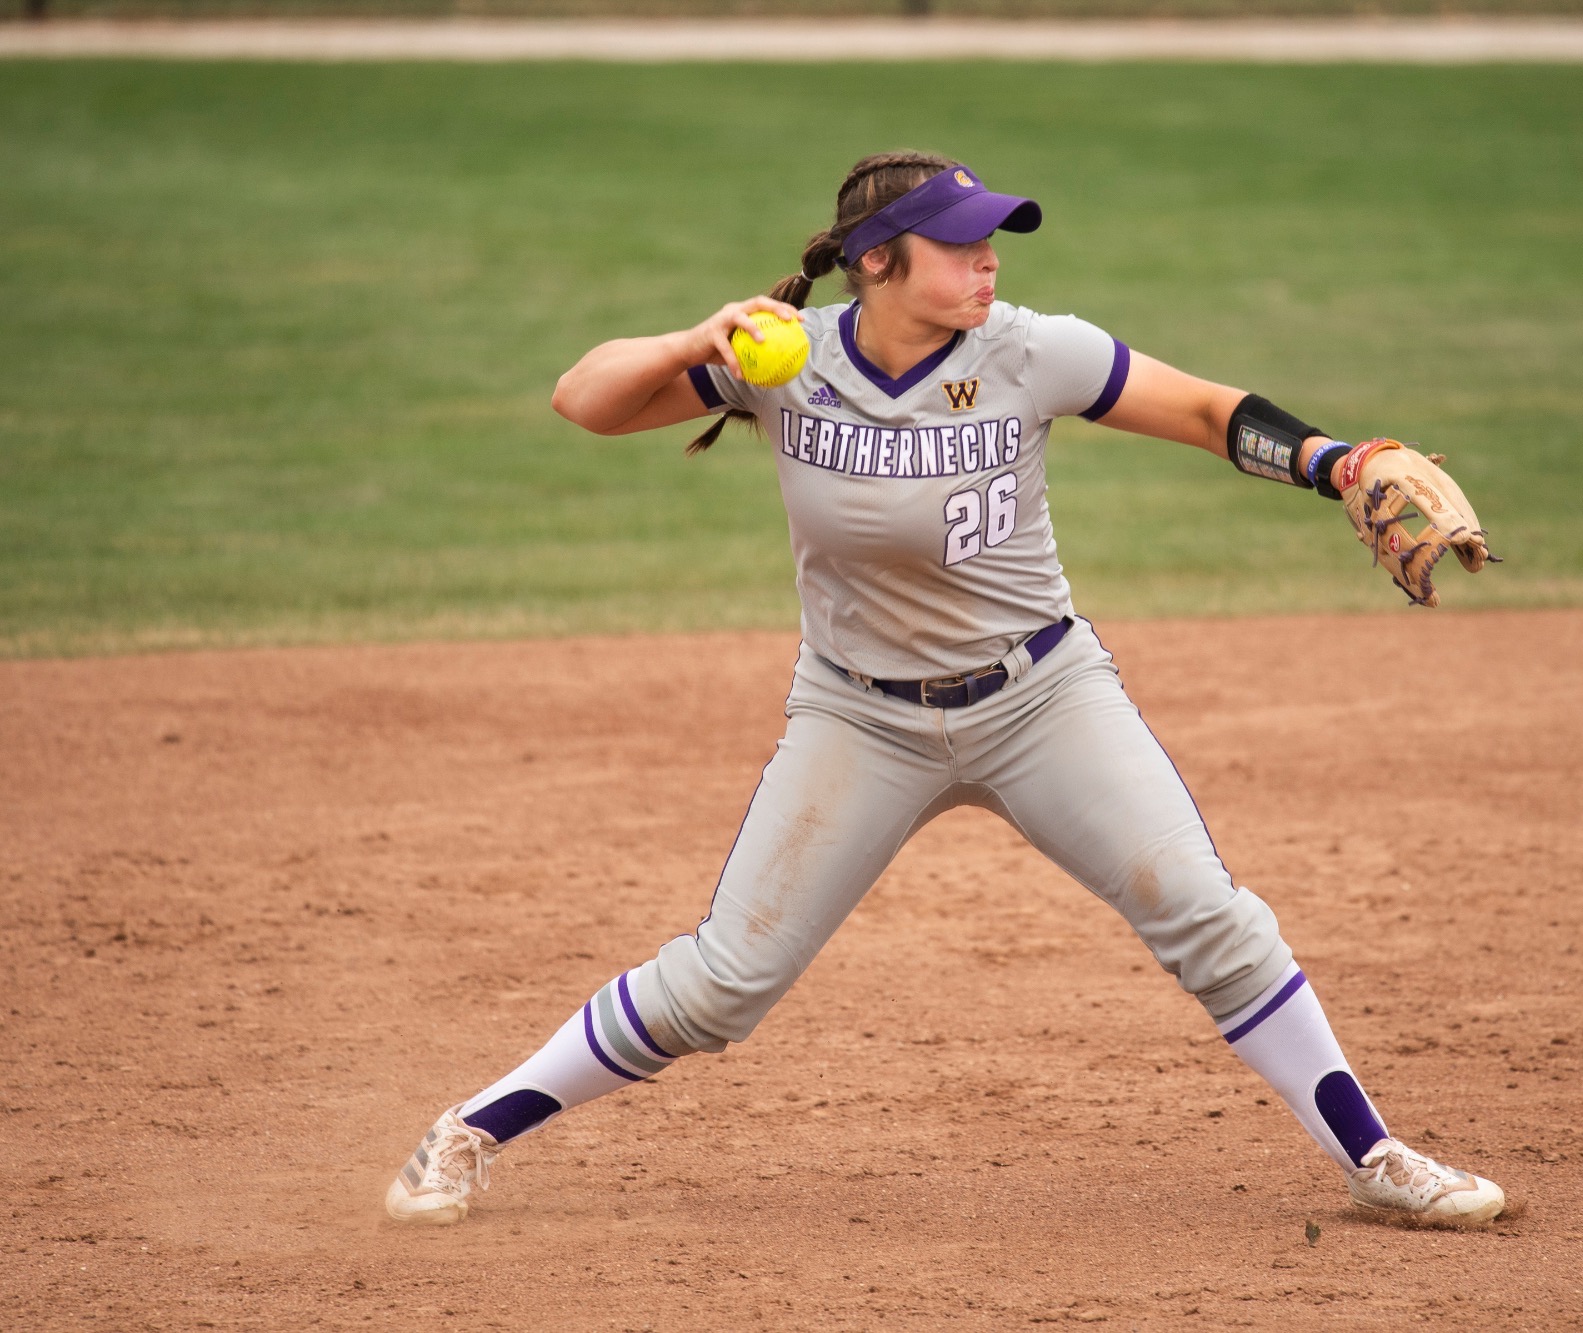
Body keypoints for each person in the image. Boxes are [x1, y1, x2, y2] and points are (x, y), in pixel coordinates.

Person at [384, 150, 1504, 1228]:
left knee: (1206, 914)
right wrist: (693, 339)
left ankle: (1372, 1156)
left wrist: (1335, 462)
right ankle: (466, 1130)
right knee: (724, 985)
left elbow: (1211, 412)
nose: (988, 263)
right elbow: (583, 399)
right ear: (876, 262)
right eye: (960, 245)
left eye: (994, 243)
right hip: (859, 718)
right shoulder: (786, 362)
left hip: (1042, 698)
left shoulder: (1030, 352)